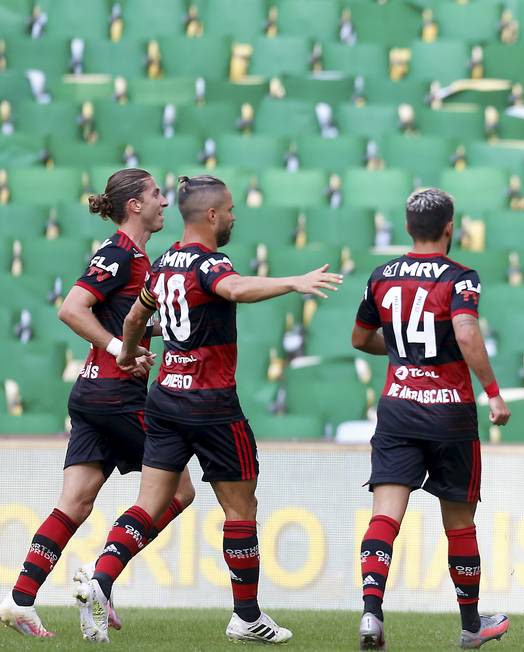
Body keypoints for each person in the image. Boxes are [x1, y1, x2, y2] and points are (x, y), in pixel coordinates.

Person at [73, 175, 342, 644]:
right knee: (241, 509)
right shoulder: (209, 262)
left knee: (150, 502)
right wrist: (292, 282)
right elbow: (234, 289)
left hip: (164, 401)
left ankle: (101, 579)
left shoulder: (162, 263)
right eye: (232, 209)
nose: (235, 216)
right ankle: (247, 617)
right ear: (212, 215)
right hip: (213, 404)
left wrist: (126, 353)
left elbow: (136, 316)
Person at [0, 169, 195, 639]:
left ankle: (20, 600)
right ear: (134, 205)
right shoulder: (119, 253)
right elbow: (72, 308)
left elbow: (117, 323)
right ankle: (100, 579)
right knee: (181, 490)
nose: (164, 202)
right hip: (115, 395)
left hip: (93, 394)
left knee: (76, 502)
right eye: (155, 194)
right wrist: (118, 350)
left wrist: (139, 344)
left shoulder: (139, 257)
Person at [351, 188, 512, 650]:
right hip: (449, 415)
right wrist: (495, 394)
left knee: (384, 518)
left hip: (398, 409)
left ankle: (371, 614)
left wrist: (405, 352)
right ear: (449, 227)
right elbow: (464, 330)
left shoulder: (382, 276)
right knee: (459, 524)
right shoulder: (460, 277)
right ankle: (469, 625)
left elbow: (361, 338)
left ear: (406, 228)